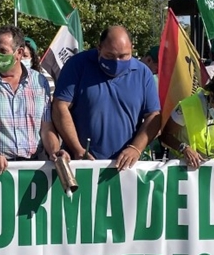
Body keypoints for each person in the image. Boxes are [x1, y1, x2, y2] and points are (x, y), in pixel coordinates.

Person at [53, 26, 161, 170]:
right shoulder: (78, 65)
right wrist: (77, 149)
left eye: (123, 56)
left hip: (125, 167)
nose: (117, 61)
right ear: (99, 48)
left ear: (132, 48)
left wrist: (135, 149)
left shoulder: (143, 73)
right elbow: (60, 106)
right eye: (110, 56)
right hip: (82, 163)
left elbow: (153, 116)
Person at [0, 25, 60, 175]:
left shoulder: (40, 82)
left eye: (3, 51)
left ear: (19, 52)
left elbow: (46, 127)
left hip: (32, 168)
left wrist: (55, 152)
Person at [159, 77, 214, 168]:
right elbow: (165, 136)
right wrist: (184, 148)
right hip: (182, 164)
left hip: (210, 165)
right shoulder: (187, 107)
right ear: (211, 96)